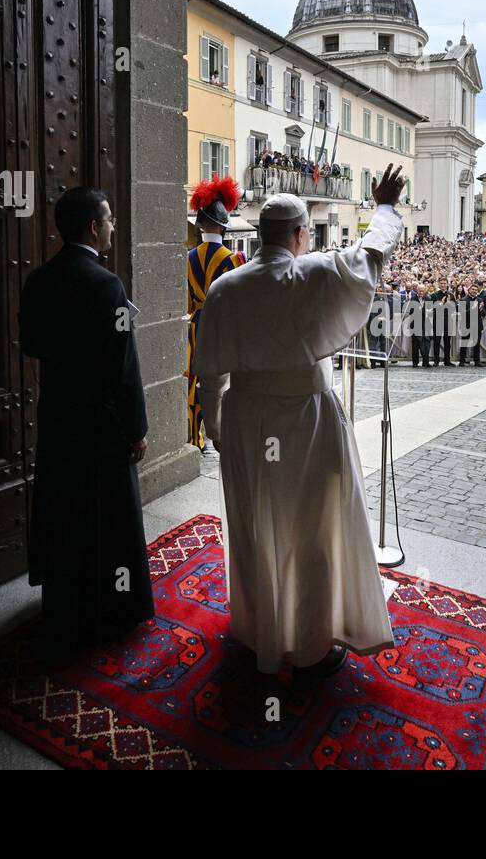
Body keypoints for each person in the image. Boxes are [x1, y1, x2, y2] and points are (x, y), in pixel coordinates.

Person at [190, 166, 408, 683]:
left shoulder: (225, 288)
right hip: (306, 422)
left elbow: (210, 374)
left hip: (245, 420)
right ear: (298, 236)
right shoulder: (313, 273)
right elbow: (372, 254)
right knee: (312, 528)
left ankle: (258, 630)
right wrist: (383, 206)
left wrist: (219, 432)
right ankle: (310, 648)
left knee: (254, 524)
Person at [19, 186, 154, 650]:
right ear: (93, 227)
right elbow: (124, 366)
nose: (114, 225)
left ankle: (68, 605)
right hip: (102, 423)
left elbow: (32, 344)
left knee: (66, 512)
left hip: (60, 415)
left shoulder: (39, 280)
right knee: (107, 515)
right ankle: (114, 607)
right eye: (110, 218)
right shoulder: (107, 285)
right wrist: (136, 429)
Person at [185, 176, 246, 450]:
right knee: (218, 386)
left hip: (194, 327)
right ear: (223, 227)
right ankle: (217, 434)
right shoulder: (233, 259)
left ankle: (192, 435)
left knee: (191, 384)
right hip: (219, 329)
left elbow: (186, 303)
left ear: (199, 225)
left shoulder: (187, 257)